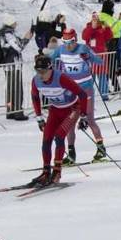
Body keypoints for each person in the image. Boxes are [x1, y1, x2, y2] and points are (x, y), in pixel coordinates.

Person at [29, 55, 89, 187]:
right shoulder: (36, 81)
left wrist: (84, 116)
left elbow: (82, 94)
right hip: (55, 110)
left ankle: (57, 171)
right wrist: (39, 117)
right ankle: (46, 171)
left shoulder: (61, 78)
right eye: (38, 71)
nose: (41, 75)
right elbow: (35, 97)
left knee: (59, 136)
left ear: (50, 69)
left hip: (72, 109)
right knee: (46, 139)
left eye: (43, 71)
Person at [50, 29, 107, 163]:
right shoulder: (60, 50)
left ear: (75, 40)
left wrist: (88, 57)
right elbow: (50, 60)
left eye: (71, 42)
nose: (68, 46)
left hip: (86, 89)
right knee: (70, 123)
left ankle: (101, 148)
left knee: (90, 119)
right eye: (65, 42)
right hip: (71, 91)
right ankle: (71, 154)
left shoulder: (83, 48)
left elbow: (100, 61)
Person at [0, 14, 33, 120]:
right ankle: (17, 111)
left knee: (11, 88)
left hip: (9, 65)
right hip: (13, 64)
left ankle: (10, 110)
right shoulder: (8, 34)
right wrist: (27, 38)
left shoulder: (5, 34)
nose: (16, 24)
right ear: (10, 23)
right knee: (16, 88)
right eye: (14, 22)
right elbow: (19, 47)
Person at [82, 12, 114, 100]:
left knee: (102, 76)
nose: (95, 21)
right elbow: (84, 36)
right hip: (90, 57)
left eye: (96, 19)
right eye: (94, 19)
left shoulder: (102, 28)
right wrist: (92, 27)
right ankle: (87, 95)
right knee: (90, 77)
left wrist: (107, 27)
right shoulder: (88, 27)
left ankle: (104, 95)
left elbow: (109, 36)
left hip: (101, 56)